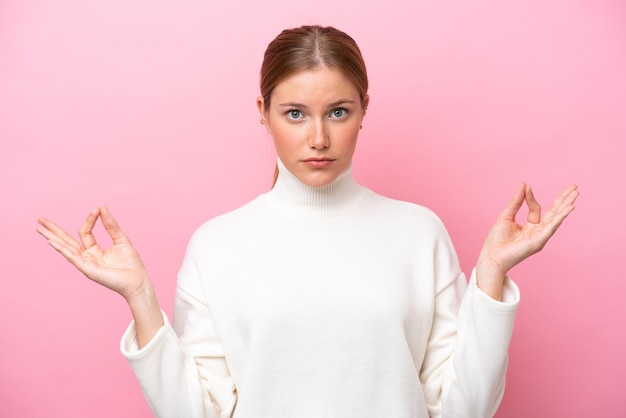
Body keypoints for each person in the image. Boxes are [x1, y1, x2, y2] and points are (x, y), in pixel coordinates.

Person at [36, 25, 579, 418]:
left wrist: (488, 279)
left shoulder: (419, 233)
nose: (318, 138)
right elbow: (198, 413)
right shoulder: (218, 245)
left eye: (337, 112)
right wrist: (140, 298)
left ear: (364, 110)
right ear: (263, 112)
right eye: (295, 113)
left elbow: (463, 410)